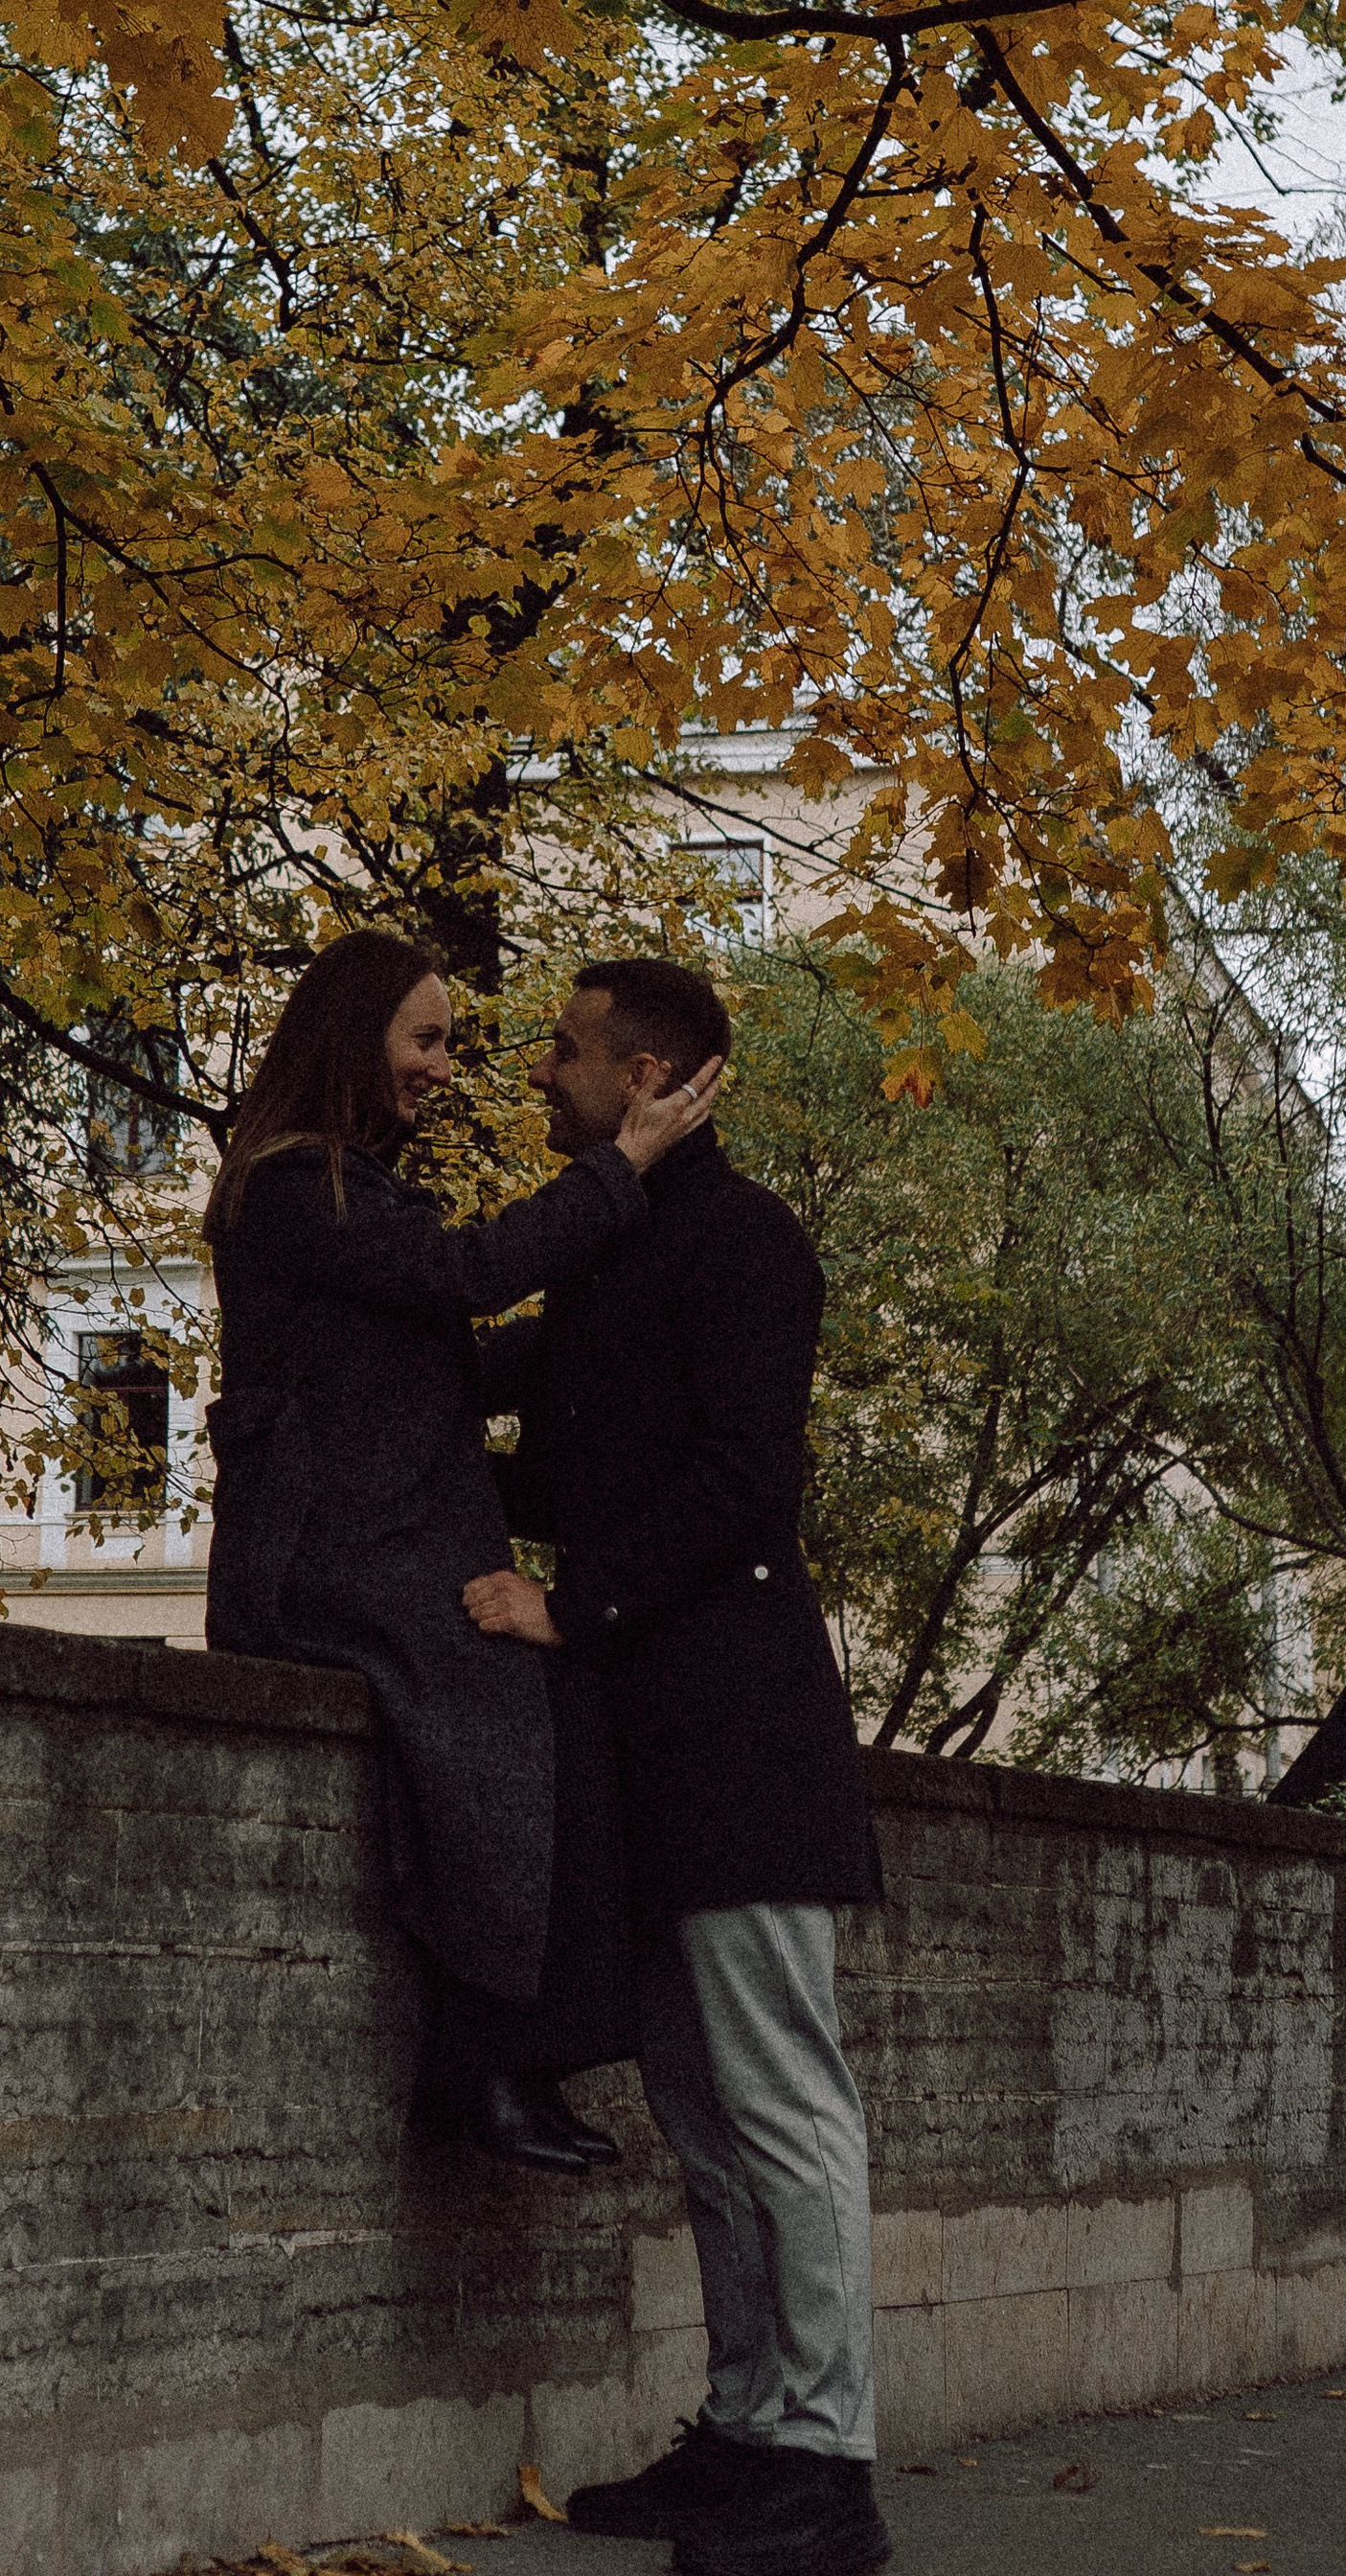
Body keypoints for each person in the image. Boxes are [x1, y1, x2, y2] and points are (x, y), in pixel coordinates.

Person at [465, 955, 889, 2576]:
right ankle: (748, 2432)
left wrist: (572, 1605)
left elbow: (739, 1487)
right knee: (706, 2121)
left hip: (743, 1742)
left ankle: (828, 2467)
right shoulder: (615, 1244)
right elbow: (557, 1445)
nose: (541, 1073)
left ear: (645, 1071)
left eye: (565, 1052)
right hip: (644, 1752)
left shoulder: (746, 1240)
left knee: (787, 2107)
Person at [203, 927, 720, 2174]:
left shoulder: (344, 1191)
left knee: (552, 1702)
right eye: (426, 1040)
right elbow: (468, 1277)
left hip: (373, 1540)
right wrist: (626, 1173)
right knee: (506, 1701)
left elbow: (441, 1354)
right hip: (328, 1560)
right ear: (353, 1038)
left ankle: (502, 2065)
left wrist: (606, 1315)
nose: (445, 1069)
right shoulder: (290, 1184)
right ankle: (485, 2072)